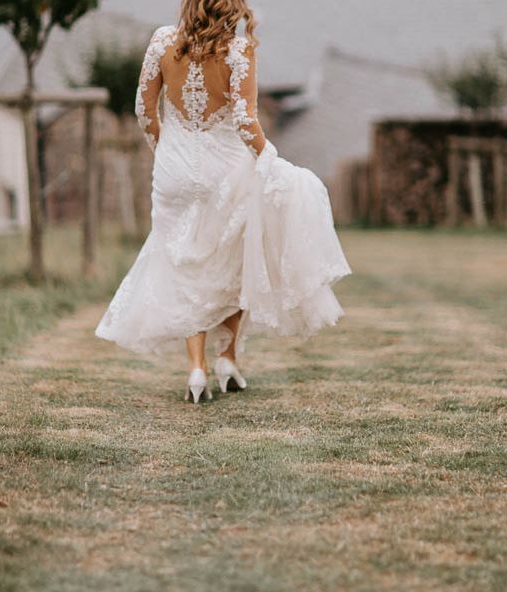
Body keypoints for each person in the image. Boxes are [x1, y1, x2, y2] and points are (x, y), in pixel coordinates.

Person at [95, 0, 351, 403]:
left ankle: (196, 368)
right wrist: (270, 159)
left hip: (174, 171)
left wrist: (164, 148)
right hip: (227, 171)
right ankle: (227, 358)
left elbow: (144, 110)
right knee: (234, 261)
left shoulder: (162, 41)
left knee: (184, 264)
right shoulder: (238, 50)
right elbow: (246, 122)